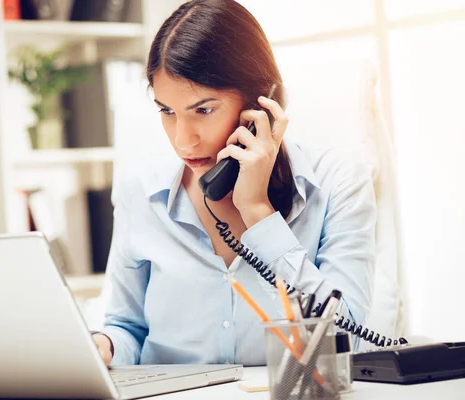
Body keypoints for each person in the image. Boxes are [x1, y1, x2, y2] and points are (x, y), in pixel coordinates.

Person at [92, 0, 375, 366]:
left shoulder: (338, 181)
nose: (183, 141)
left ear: (263, 101)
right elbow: (127, 326)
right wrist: (106, 345)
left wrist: (259, 214)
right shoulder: (142, 193)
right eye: (167, 112)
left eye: (204, 110)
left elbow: (349, 343)